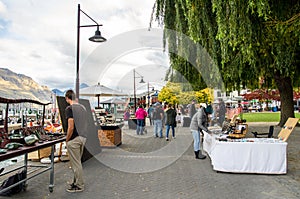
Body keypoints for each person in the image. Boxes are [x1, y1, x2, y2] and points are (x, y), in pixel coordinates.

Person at [65, 90, 87, 192]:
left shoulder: (69, 109)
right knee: (77, 163)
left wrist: (67, 139)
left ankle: (79, 185)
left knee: (76, 164)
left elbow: (71, 127)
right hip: (83, 137)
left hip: (74, 139)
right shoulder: (83, 108)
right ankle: (75, 182)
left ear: (67, 98)